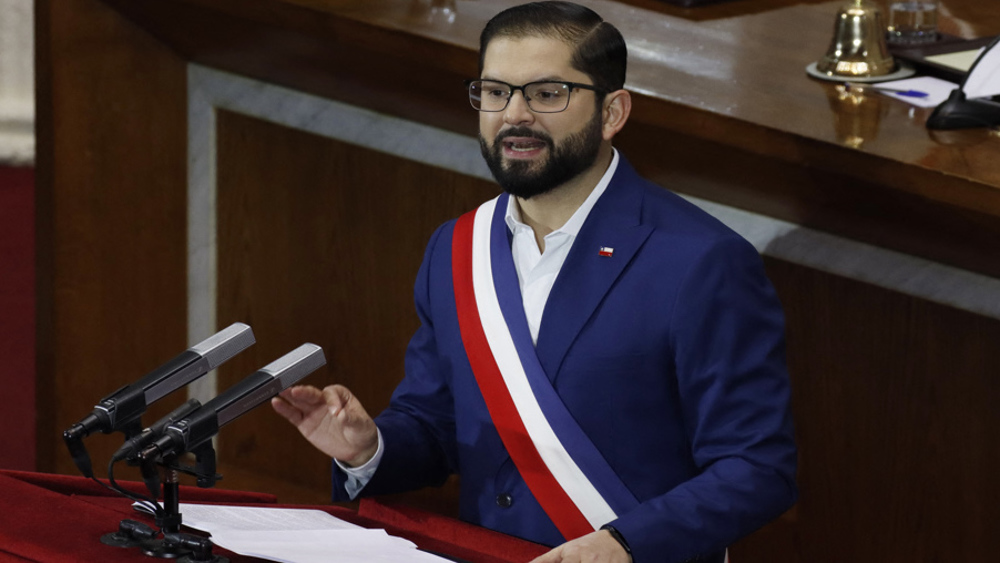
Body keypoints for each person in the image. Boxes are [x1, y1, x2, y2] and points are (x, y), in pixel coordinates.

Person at [272, 2, 797, 562]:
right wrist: (368, 447)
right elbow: (436, 423)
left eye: (547, 94)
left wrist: (623, 546)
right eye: (496, 92)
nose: (514, 115)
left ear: (612, 112)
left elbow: (757, 469)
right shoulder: (455, 248)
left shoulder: (702, 262)